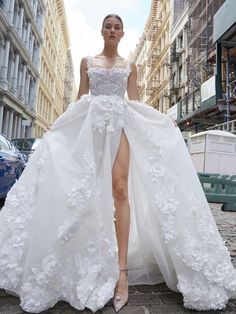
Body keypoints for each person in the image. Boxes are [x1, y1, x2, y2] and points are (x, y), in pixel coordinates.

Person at [0, 13, 236, 314]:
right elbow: (80, 99)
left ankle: (121, 271)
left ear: (122, 34)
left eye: (117, 27)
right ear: (102, 32)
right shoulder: (87, 62)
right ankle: (94, 260)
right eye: (108, 27)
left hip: (120, 128)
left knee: (120, 189)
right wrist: (59, 126)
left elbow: (135, 102)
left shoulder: (129, 66)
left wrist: (163, 121)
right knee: (89, 193)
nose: (113, 31)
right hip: (91, 133)